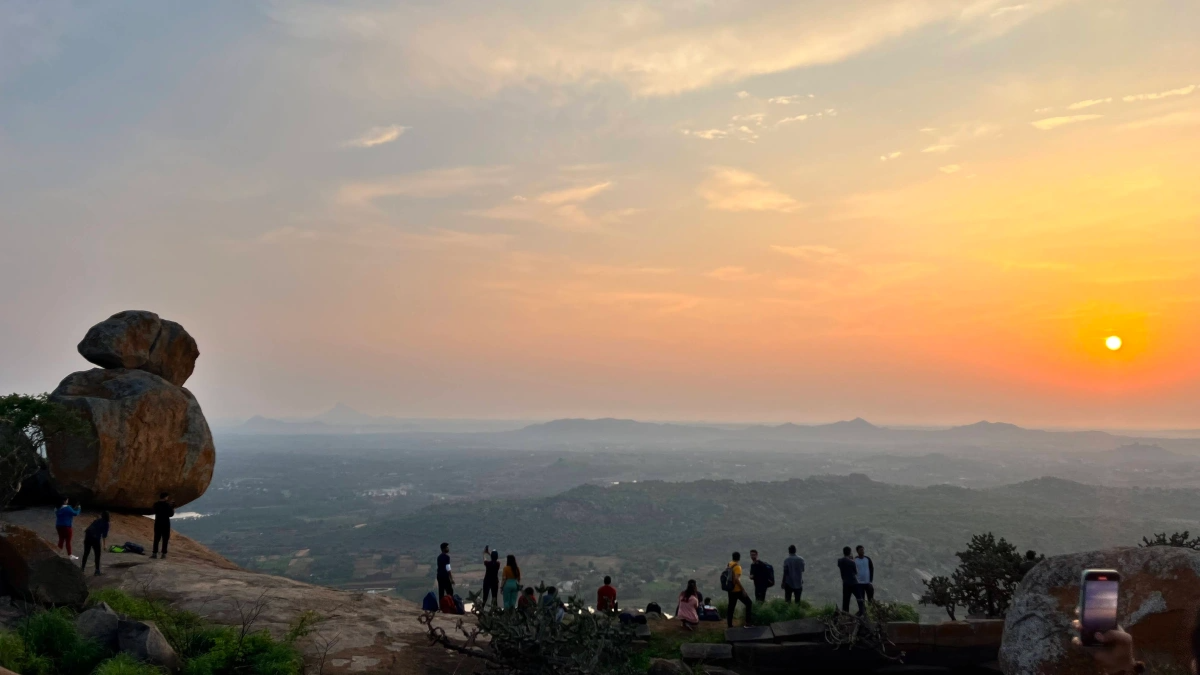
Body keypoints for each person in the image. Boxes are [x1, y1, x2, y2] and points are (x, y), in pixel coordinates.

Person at [726, 551, 754, 628]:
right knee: (749, 603)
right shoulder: (737, 567)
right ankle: (748, 623)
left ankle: (729, 624)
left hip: (730, 589)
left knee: (731, 607)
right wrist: (743, 590)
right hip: (737, 590)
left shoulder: (729, 564)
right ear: (739, 558)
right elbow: (736, 579)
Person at [81, 511, 110, 575]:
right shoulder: (106, 524)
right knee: (97, 555)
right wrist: (104, 545)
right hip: (95, 539)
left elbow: (88, 529)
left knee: (86, 553)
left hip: (88, 537)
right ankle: (97, 571)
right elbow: (104, 536)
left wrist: (85, 539)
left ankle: (82, 569)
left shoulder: (97, 520)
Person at [838, 546, 865, 615]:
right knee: (859, 598)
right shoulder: (852, 562)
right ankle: (861, 612)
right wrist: (852, 559)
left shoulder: (840, 561)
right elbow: (855, 572)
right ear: (850, 552)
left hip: (845, 583)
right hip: (854, 583)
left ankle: (845, 614)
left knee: (846, 600)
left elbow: (841, 565)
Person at [151, 492, 174, 559]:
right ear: (165, 497)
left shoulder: (156, 504)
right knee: (165, 539)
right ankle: (163, 554)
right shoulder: (167, 505)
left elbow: (153, 511)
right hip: (166, 524)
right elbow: (171, 514)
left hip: (158, 523)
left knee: (156, 539)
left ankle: (154, 553)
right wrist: (173, 508)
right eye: (167, 497)